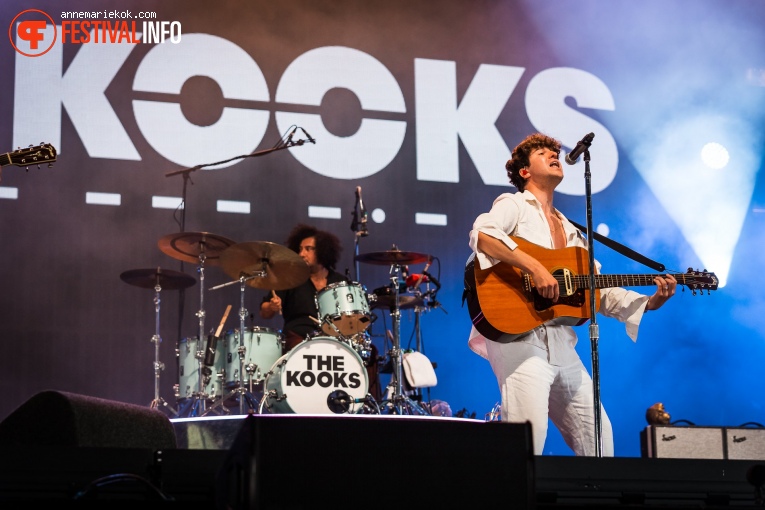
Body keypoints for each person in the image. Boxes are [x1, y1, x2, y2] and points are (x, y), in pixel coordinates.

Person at [467, 132, 676, 456]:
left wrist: (649, 302)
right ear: (525, 171)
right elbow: (483, 234)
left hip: (563, 344)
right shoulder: (514, 204)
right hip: (519, 338)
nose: (554, 154)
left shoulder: (572, 229)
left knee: (599, 442)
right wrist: (534, 268)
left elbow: (598, 291)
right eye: (543, 152)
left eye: (555, 151)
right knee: (527, 440)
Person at [260, 223, 382, 401]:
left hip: (337, 339)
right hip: (300, 337)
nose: (302, 254)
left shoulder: (340, 281)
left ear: (323, 251)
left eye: (308, 249)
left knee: (369, 351)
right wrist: (271, 306)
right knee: (296, 346)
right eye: (300, 249)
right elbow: (264, 311)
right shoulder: (290, 279)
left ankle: (367, 405)